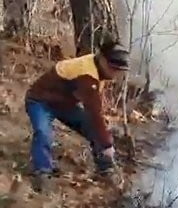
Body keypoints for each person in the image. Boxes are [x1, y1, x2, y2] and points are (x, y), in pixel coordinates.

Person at [24, 40, 131, 192]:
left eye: (118, 71)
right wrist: (107, 144)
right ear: (102, 59)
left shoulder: (98, 69)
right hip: (39, 101)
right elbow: (94, 112)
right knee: (43, 133)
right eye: (112, 68)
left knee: (91, 127)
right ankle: (43, 173)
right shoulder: (87, 74)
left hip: (63, 105)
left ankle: (105, 168)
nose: (114, 74)